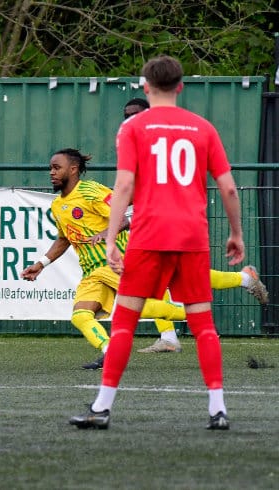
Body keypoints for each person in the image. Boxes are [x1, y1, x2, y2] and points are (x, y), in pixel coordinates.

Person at [70, 55, 244, 430]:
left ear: (145, 86)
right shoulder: (203, 128)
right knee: (204, 325)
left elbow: (123, 186)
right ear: (181, 86)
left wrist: (112, 238)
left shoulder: (132, 128)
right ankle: (218, 410)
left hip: (148, 235)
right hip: (191, 236)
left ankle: (102, 408)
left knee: (124, 322)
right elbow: (229, 188)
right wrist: (236, 233)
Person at [116, 98, 268, 354]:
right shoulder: (138, 143)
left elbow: (163, 191)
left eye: (136, 114)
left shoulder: (162, 143)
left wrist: (124, 221)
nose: (130, 119)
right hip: (159, 224)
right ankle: (171, 335)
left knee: (173, 278)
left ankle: (237, 286)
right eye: (126, 115)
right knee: (163, 279)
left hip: (175, 225)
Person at [21, 149, 188, 369]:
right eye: (51, 168)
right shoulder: (57, 205)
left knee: (144, 308)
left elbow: (123, 217)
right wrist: (41, 264)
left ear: (73, 169)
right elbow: (64, 239)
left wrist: (107, 232)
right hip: (92, 271)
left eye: (57, 168)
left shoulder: (90, 191)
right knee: (80, 316)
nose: (51, 172)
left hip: (115, 263)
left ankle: (196, 314)